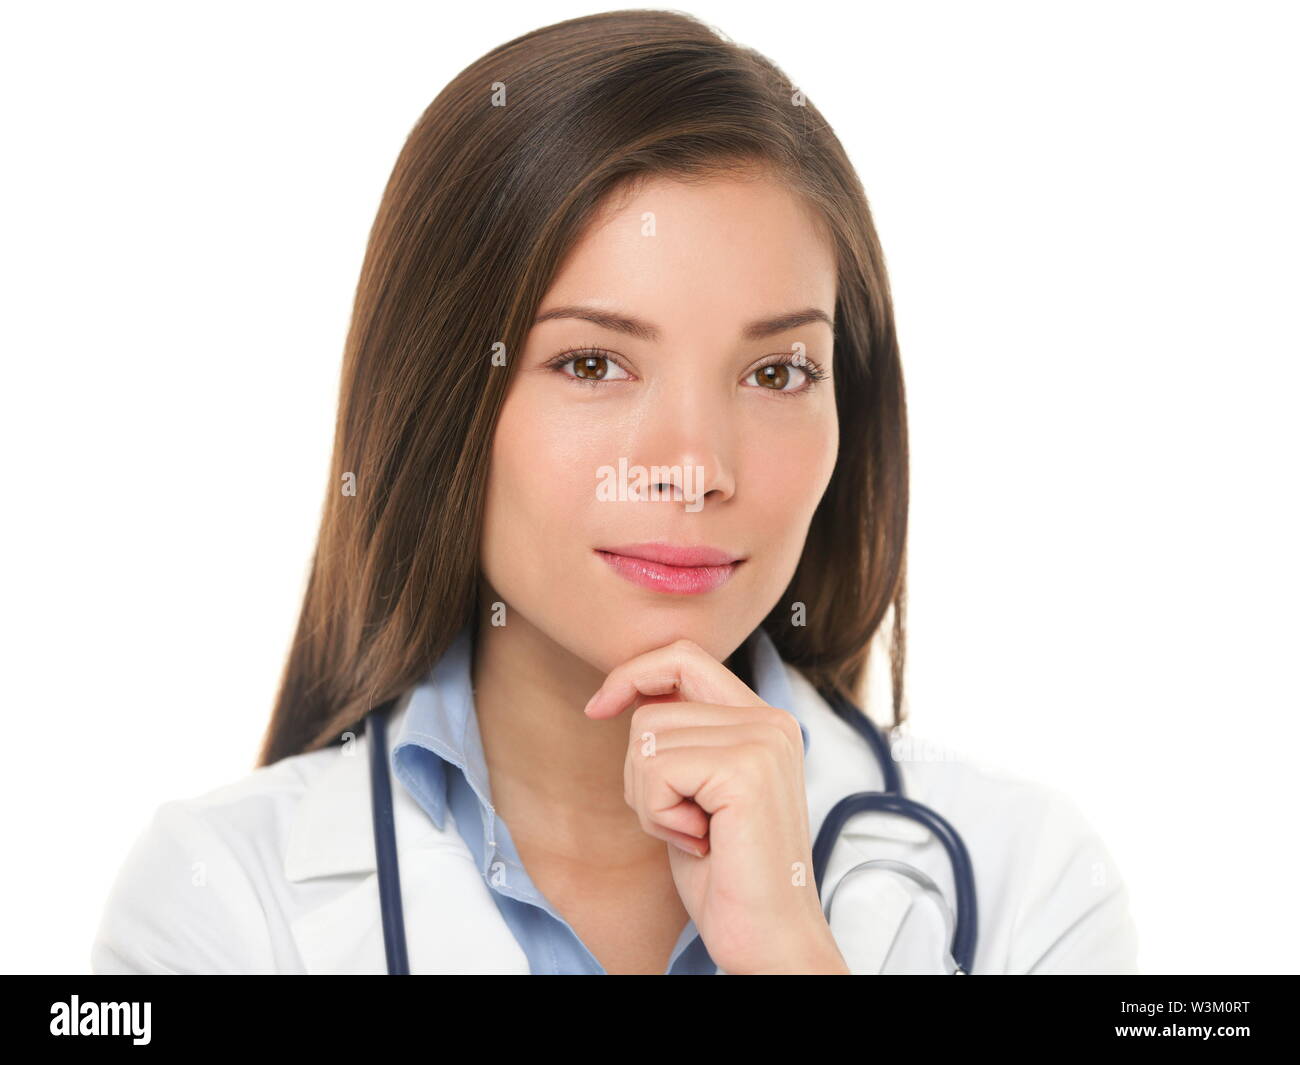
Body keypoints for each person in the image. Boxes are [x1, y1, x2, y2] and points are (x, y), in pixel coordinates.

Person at [91, 9, 1139, 975]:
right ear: (441, 397)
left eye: (776, 373)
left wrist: (786, 947)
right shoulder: (218, 902)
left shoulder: (1027, 887)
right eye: (592, 364)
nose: (692, 467)